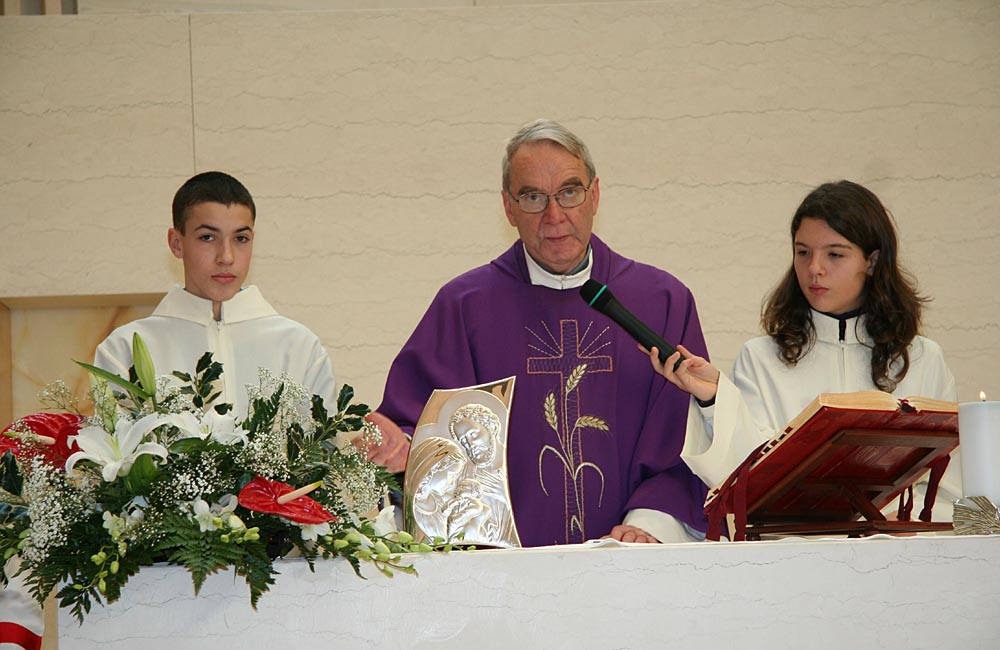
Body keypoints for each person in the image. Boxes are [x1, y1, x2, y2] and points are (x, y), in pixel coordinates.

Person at [369, 119, 711, 546]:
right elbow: (418, 426)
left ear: (594, 195)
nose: (554, 216)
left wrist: (650, 524)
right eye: (532, 197)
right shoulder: (464, 307)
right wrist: (400, 447)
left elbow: (683, 435)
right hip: (498, 565)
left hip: (630, 559)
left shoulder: (661, 301)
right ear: (508, 207)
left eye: (569, 191)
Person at [648, 180, 957, 513]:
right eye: (803, 252)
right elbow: (749, 474)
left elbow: (949, 482)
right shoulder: (761, 358)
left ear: (872, 261)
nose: (814, 269)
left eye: (834, 254)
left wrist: (902, 525)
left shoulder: (921, 358)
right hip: (791, 540)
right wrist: (715, 400)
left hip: (899, 540)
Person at [94, 171, 337, 416]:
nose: (226, 257)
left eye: (241, 238)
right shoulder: (124, 350)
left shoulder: (298, 347)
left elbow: (326, 439)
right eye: (207, 237)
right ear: (176, 243)